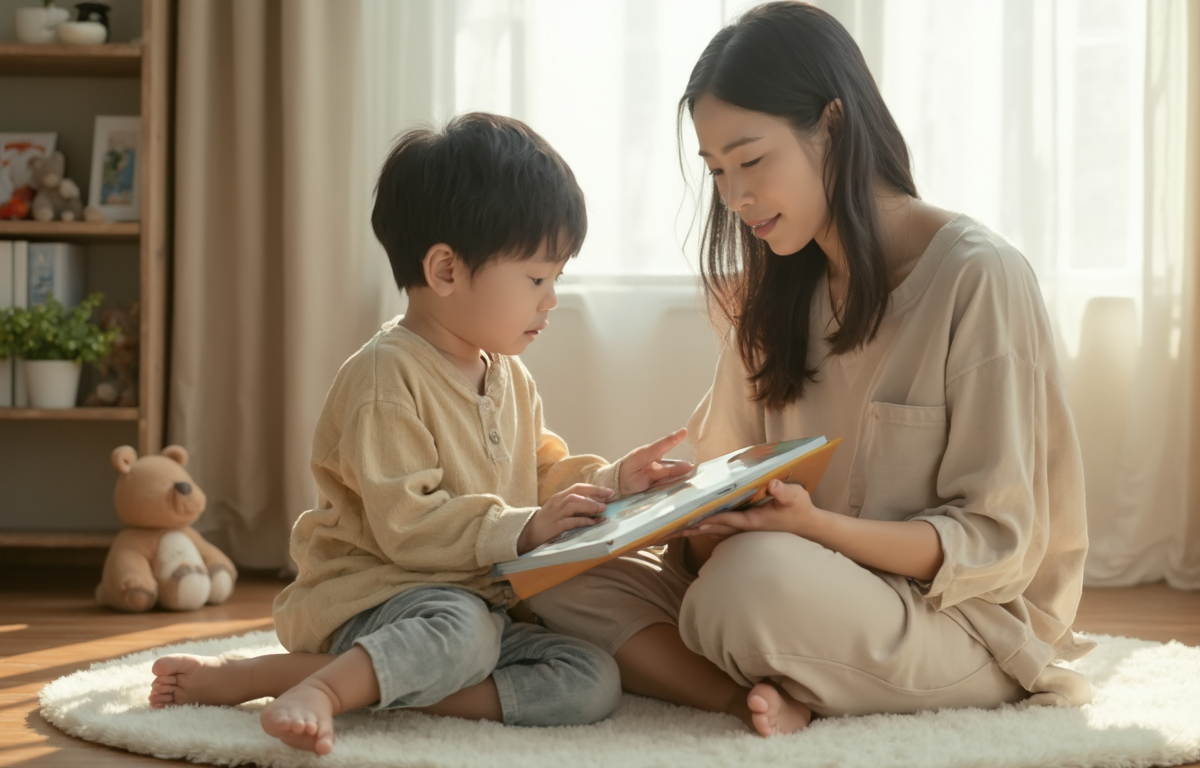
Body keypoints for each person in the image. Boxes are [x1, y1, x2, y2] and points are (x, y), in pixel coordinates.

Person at [527, 1, 1094, 738]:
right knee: (557, 577)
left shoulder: (977, 278)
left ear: (832, 125)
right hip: (795, 585)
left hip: (955, 620)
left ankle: (764, 664)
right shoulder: (779, 292)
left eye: (752, 160)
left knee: (747, 586)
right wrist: (679, 515)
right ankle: (759, 691)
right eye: (717, 171)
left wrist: (814, 529)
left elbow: (993, 546)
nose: (735, 198)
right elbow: (720, 470)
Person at [147, 112, 693, 755]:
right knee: (463, 634)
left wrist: (610, 481)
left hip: (475, 603)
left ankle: (362, 685)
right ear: (445, 271)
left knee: (589, 679)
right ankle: (299, 685)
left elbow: (540, 470)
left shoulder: (509, 376)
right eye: (537, 278)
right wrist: (524, 528)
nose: (551, 300)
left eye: (558, 279)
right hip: (377, 597)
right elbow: (407, 524)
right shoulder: (385, 378)